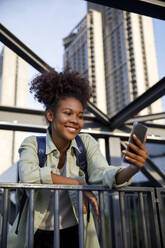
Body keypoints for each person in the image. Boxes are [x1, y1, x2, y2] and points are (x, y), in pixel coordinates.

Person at [8, 68, 148, 248]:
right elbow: (29, 176)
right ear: (51, 115)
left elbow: (104, 174)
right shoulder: (32, 143)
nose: (75, 120)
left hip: (75, 232)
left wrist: (133, 169)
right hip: (35, 233)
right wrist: (75, 183)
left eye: (80, 116)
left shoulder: (86, 143)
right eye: (68, 113)